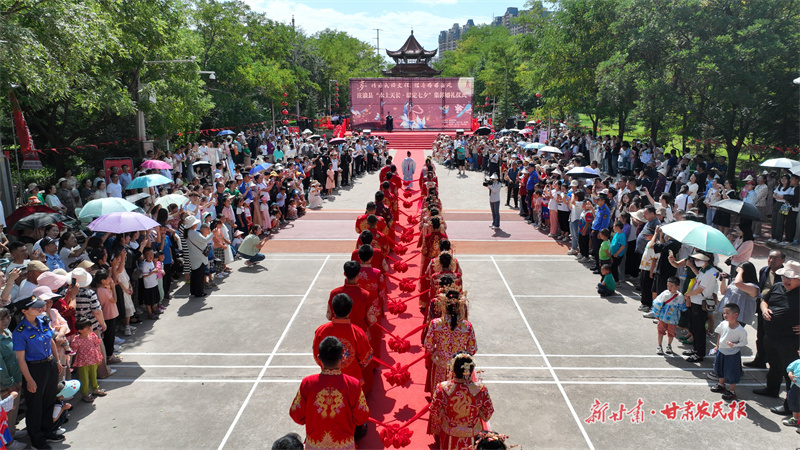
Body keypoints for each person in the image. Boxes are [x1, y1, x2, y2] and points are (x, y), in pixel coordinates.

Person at [289, 336, 369, 449]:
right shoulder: (353, 384)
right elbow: (362, 416)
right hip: (344, 446)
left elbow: (297, 415)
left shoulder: (307, 383)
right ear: (342, 358)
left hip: (315, 446)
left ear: (318, 358)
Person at [13, 295, 64, 449]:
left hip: (49, 364)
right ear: (24, 311)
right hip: (34, 369)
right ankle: (37, 439)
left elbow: (51, 341)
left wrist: (57, 360)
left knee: (49, 399)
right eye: (34, 307)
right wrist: (29, 380)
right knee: (35, 405)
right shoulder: (20, 331)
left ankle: (48, 430)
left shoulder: (43, 321)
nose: (39, 308)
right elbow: (21, 359)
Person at [753, 259, 800, 415]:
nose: (786, 280)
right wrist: (765, 309)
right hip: (771, 336)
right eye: (785, 276)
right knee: (774, 366)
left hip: (789, 341)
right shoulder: (778, 286)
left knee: (790, 374)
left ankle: (789, 406)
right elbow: (764, 301)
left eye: (791, 277)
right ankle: (772, 389)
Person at [429, 353, 494, 449]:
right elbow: (488, 413)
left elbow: (434, 410)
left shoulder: (442, 388)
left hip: (449, 433)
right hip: (473, 434)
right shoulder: (481, 389)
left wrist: (444, 417)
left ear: (453, 369)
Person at [312, 294, 372, 389]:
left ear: (332, 309)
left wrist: (328, 366)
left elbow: (316, 355)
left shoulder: (321, 330)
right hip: (352, 380)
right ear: (350, 310)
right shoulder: (357, 332)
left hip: (327, 379)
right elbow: (366, 358)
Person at [424, 290, 477, 393]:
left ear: (444, 305)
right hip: (459, 370)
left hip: (440, 365)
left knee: (439, 395)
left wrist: (437, 353)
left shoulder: (436, 324)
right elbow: (472, 350)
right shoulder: (467, 326)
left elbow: (428, 346)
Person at [746, 250, 786, 368]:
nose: (771, 260)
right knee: (761, 335)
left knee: (774, 338)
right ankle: (760, 359)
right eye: (770, 257)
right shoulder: (764, 270)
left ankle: (776, 363)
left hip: (778, 310)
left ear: (782, 261)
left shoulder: (785, 275)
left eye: (775, 258)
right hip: (763, 307)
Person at [683, 253, 718, 363]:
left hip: (700, 303)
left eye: (698, 259)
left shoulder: (710, 272)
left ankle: (699, 354)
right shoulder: (703, 271)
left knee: (699, 329)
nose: (696, 261)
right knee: (694, 327)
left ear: (706, 260)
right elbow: (696, 284)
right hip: (695, 301)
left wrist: (688, 295)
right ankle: (695, 349)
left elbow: (700, 289)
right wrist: (689, 296)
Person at [709, 304, 747, 401]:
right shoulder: (723, 324)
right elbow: (720, 335)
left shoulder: (740, 330)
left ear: (736, 315)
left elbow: (744, 342)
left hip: (732, 354)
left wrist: (734, 344)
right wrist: (717, 346)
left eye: (727, 313)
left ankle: (732, 391)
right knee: (719, 368)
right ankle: (721, 384)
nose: (725, 315)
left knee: (731, 372)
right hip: (721, 351)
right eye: (724, 313)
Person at [70, 318, 106, 403]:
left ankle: (95, 389)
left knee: (94, 375)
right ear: (80, 330)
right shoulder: (76, 340)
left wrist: (99, 357)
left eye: (90, 327)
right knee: (84, 378)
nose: (90, 329)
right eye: (88, 328)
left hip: (93, 359)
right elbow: (73, 350)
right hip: (82, 362)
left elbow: (97, 346)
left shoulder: (93, 336)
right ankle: (85, 394)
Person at [185, 216, 212, 299]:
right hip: (199, 257)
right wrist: (212, 233)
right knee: (199, 275)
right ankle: (199, 292)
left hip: (194, 256)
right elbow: (205, 240)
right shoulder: (194, 233)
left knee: (195, 275)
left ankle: (194, 291)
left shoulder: (189, 232)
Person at [783, 350, 800, 429]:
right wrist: (790, 374)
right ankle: (796, 419)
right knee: (794, 402)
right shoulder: (797, 362)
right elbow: (790, 369)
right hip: (796, 386)